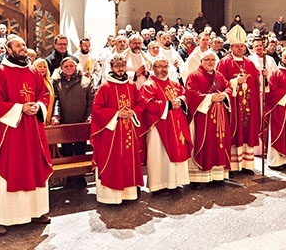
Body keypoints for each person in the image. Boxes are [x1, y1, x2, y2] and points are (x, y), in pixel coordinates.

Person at [0, 35, 53, 236]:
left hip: (33, 130)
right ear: (8, 49)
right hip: (11, 132)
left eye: (24, 45)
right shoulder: (0, 72)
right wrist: (20, 108)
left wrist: (38, 106)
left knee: (34, 167)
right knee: (10, 168)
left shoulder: (34, 71)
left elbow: (44, 95)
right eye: (18, 46)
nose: (23, 49)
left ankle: (37, 211)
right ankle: (3, 218)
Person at [90, 54, 145, 204]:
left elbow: (141, 103)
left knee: (128, 161)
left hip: (129, 130)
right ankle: (110, 197)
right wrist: (116, 114)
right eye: (117, 66)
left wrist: (133, 112)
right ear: (112, 68)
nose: (120, 69)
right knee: (113, 161)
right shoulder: (105, 87)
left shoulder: (131, 86)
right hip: (111, 133)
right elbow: (97, 109)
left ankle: (129, 194)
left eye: (122, 66)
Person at [140, 58, 193, 194]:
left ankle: (175, 182)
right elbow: (147, 105)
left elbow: (184, 95)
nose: (163, 70)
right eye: (159, 66)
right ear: (153, 68)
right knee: (159, 154)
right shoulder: (149, 85)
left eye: (165, 66)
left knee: (177, 151)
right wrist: (168, 105)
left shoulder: (174, 84)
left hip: (176, 124)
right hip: (159, 126)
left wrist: (180, 101)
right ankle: (159, 185)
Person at [216, 25, 261, 173]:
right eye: (237, 46)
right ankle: (233, 166)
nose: (241, 49)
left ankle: (246, 165)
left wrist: (263, 77)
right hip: (233, 105)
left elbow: (257, 81)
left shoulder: (249, 62)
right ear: (231, 47)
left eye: (242, 46)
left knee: (247, 132)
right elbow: (219, 83)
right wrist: (236, 82)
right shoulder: (224, 62)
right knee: (234, 132)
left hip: (249, 103)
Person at [184, 50, 232, 186]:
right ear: (201, 61)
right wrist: (211, 97)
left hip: (219, 115)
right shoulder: (194, 76)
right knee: (204, 142)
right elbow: (191, 94)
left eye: (213, 60)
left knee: (218, 143)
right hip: (203, 117)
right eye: (207, 60)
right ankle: (197, 179)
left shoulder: (219, 75)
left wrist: (224, 95)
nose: (210, 62)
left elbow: (228, 88)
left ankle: (217, 176)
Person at [51, 57, 94, 160]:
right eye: (66, 66)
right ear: (61, 68)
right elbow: (56, 101)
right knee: (67, 151)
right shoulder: (56, 82)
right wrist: (56, 115)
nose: (69, 68)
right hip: (65, 122)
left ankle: (80, 175)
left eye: (71, 66)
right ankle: (69, 176)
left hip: (81, 121)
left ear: (76, 67)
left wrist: (90, 116)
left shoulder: (86, 81)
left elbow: (91, 102)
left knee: (80, 150)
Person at [33, 58, 55, 125]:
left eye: (44, 67)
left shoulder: (49, 82)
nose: (42, 68)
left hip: (48, 118)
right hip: (37, 119)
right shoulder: (32, 82)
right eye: (40, 66)